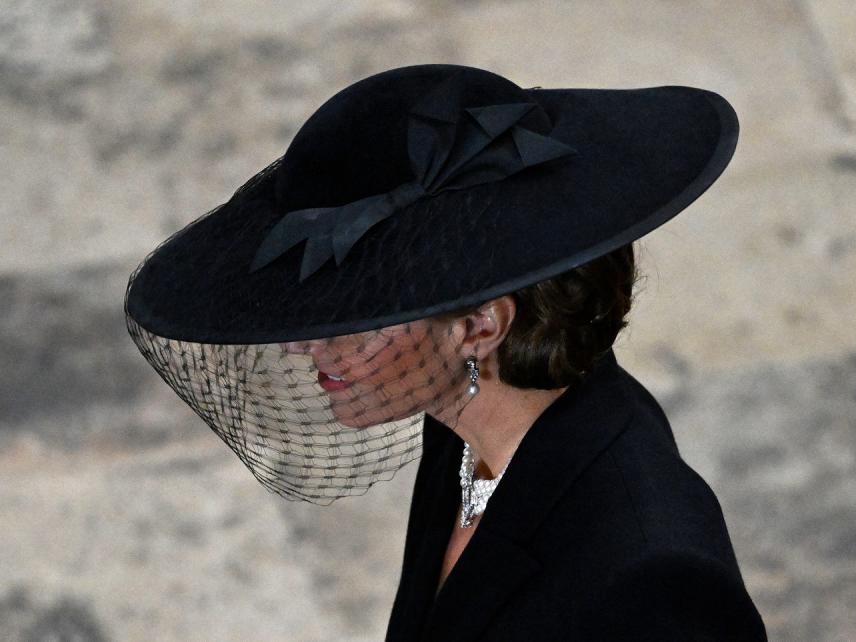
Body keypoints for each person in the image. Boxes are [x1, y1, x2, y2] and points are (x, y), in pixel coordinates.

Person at [125, 63, 766, 640]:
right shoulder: (463, 429)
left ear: (481, 326)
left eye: (355, 318)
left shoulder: (655, 586)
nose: (300, 344)